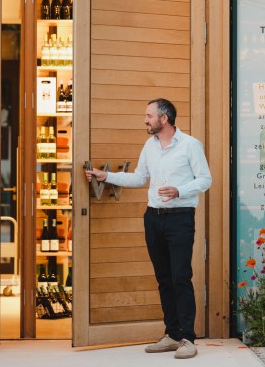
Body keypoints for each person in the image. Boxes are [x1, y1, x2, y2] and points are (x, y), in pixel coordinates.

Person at [86, 98, 211, 359]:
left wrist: (180, 190)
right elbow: (140, 178)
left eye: (149, 115)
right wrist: (106, 176)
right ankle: (173, 334)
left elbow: (205, 179)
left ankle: (188, 338)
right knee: (164, 278)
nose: (146, 120)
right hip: (153, 218)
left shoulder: (190, 145)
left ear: (164, 118)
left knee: (180, 277)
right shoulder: (149, 146)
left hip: (180, 218)